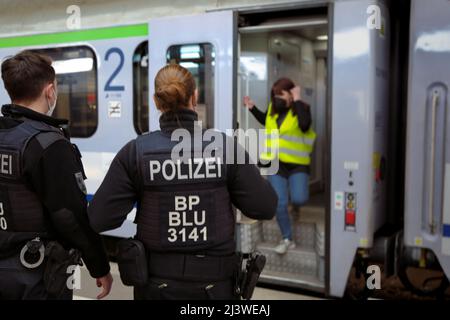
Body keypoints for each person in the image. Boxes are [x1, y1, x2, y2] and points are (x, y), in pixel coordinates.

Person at [88, 64, 277, 300]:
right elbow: (265, 207)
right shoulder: (226, 148)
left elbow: (98, 218)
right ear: (194, 97)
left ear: (157, 102)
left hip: (155, 288)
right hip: (216, 288)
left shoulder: (135, 153)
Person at [0, 51, 112, 300]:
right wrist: (99, 266)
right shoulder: (48, 144)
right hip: (35, 275)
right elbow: (70, 216)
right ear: (50, 91)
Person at [243, 78, 316, 255]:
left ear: (291, 94)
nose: (277, 98)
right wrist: (252, 108)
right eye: (275, 95)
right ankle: (287, 238)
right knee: (279, 203)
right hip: (276, 164)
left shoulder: (302, 109)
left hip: (297, 164)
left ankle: (295, 206)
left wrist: (298, 99)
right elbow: (265, 121)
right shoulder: (272, 110)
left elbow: (305, 125)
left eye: (281, 95)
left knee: (298, 198)